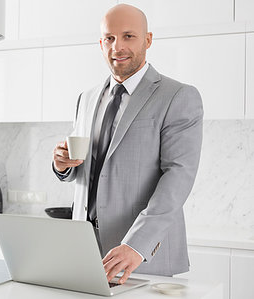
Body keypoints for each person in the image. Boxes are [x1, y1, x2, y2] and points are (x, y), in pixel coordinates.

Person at [52, 4, 203, 285]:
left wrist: (136, 245)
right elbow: (89, 166)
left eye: (128, 36)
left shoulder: (179, 96)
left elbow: (178, 177)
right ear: (101, 43)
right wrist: (62, 166)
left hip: (141, 255)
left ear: (147, 40)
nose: (117, 47)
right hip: (84, 251)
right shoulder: (86, 98)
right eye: (109, 38)